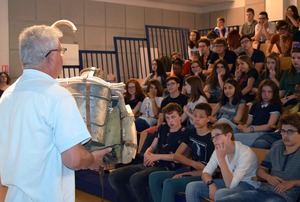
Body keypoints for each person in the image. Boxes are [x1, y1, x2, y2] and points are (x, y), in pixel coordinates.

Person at [0, 25, 111, 201]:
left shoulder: (7, 95)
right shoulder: (57, 96)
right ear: (51, 57)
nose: (62, 57)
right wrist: (92, 159)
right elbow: (74, 159)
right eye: (61, 51)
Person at [108, 103, 186, 202]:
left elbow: (177, 157)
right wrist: (147, 154)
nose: (171, 120)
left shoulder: (184, 132)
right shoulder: (163, 127)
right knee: (114, 176)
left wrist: (156, 157)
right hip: (152, 162)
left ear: (180, 116)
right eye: (168, 118)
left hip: (167, 166)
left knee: (136, 179)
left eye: (173, 117)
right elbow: (153, 146)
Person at [218, 113, 300, 202]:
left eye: (290, 132)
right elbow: (260, 169)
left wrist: (294, 182)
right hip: (264, 190)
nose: (285, 135)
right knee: (227, 200)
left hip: (285, 196)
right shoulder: (277, 146)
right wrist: (268, 177)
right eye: (283, 131)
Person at [149, 103, 214, 202]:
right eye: (195, 116)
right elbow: (177, 156)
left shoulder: (212, 139)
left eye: (201, 117)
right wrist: (193, 164)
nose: (196, 119)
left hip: (205, 175)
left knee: (170, 183)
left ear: (208, 119)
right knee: (154, 177)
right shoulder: (191, 132)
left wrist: (185, 173)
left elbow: (209, 170)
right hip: (192, 170)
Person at [185, 122, 260, 202]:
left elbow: (230, 185)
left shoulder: (245, 153)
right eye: (212, 137)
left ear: (228, 136)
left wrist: (221, 159)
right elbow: (205, 173)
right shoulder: (217, 150)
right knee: (191, 187)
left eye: (217, 136)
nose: (214, 140)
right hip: (228, 180)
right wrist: (211, 184)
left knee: (220, 194)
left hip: (247, 184)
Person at [235, 79, 282, 147]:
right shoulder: (255, 104)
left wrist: (250, 129)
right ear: (260, 92)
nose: (266, 94)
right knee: (223, 123)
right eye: (263, 91)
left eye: (269, 92)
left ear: (274, 93)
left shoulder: (275, 105)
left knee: (229, 137)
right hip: (250, 129)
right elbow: (248, 123)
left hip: (262, 132)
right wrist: (243, 127)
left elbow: (270, 126)